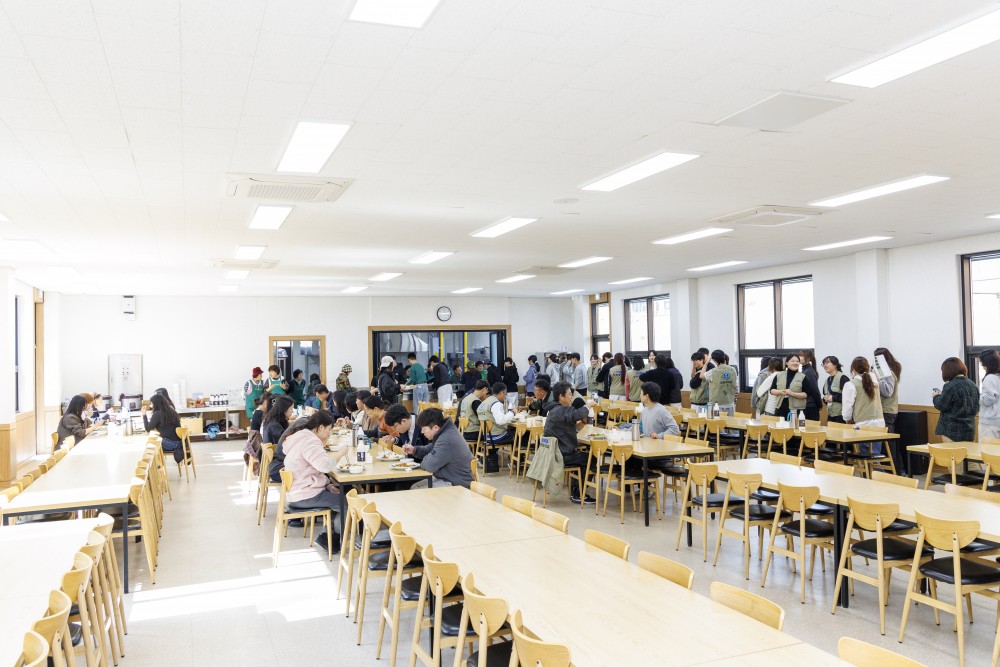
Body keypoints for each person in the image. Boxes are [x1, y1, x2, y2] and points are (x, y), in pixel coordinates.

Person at [279, 410, 344, 552]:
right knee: (346, 503)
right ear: (320, 427)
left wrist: (328, 486)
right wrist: (341, 452)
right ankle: (334, 540)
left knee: (337, 498)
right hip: (305, 494)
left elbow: (312, 470)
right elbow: (325, 466)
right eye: (329, 430)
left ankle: (327, 536)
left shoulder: (300, 437)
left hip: (298, 491)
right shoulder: (310, 441)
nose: (329, 434)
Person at [543, 382, 594, 504]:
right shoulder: (563, 410)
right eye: (569, 394)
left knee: (581, 456)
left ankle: (576, 489)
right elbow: (577, 414)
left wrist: (583, 422)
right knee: (590, 459)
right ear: (561, 397)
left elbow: (570, 428)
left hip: (550, 453)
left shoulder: (554, 409)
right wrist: (588, 406)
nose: (571, 397)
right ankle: (578, 493)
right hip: (560, 455)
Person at [404, 408, 475, 488]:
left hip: (457, 484)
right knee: (415, 486)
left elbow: (429, 466)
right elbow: (431, 449)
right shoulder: (446, 431)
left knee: (417, 490)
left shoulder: (446, 439)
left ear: (435, 428)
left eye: (424, 429)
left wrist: (427, 459)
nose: (422, 432)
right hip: (449, 478)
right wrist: (415, 450)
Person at [933, 357, 979, 443]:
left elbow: (941, 405)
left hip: (952, 431)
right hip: (969, 430)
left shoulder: (950, 386)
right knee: (966, 451)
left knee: (951, 452)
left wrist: (936, 396)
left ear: (947, 371)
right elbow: (976, 407)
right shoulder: (973, 385)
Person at [766, 353, 818, 418]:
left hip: (797, 410)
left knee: (795, 424)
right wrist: (781, 392)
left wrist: (793, 394)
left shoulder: (803, 377)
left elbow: (806, 394)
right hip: (780, 408)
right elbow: (772, 390)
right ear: (787, 363)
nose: (795, 363)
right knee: (781, 424)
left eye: (797, 361)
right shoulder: (779, 375)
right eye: (792, 361)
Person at [142, 393, 186, 462]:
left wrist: (144, 415)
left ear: (156, 404)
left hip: (171, 444)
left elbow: (148, 429)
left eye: (151, 403)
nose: (151, 405)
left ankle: (157, 466)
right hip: (180, 443)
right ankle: (158, 465)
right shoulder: (172, 411)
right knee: (154, 442)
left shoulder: (157, 414)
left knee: (150, 444)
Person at [843, 356, 885, 428]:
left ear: (853, 369)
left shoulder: (850, 385)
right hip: (880, 423)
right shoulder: (875, 381)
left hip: (862, 424)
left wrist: (847, 420)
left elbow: (847, 407)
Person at [265, 395, 296, 482]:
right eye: (291, 408)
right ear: (284, 409)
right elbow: (286, 446)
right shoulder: (275, 426)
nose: (292, 411)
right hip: (277, 467)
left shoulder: (274, 420)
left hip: (275, 463)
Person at [874, 347, 902, 433]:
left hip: (887, 410)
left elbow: (888, 392)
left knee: (888, 437)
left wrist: (877, 379)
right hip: (886, 410)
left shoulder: (888, 373)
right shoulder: (885, 372)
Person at [706, 349, 738, 416]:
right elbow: (735, 386)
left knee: (716, 422)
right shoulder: (733, 369)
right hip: (729, 402)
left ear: (714, 360)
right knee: (730, 422)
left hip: (716, 405)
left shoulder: (713, 371)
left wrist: (706, 363)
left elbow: (701, 376)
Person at [821, 356, 849, 423]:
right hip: (830, 415)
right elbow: (825, 396)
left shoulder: (843, 378)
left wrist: (833, 398)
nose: (824, 365)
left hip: (841, 416)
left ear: (835, 365)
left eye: (827, 363)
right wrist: (825, 398)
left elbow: (848, 397)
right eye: (823, 364)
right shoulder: (827, 380)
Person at [981, 350, 1000, 441]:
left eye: (982, 363)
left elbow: (987, 400)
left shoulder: (990, 378)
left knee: (987, 449)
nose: (982, 366)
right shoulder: (998, 377)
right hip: (997, 420)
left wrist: (977, 398)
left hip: (989, 422)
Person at [799, 349, 821, 421]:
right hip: (806, 404)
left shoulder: (809, 372)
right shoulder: (805, 370)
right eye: (799, 355)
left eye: (802, 356)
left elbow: (814, 390)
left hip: (810, 406)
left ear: (808, 358)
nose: (799, 357)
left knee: (811, 427)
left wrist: (820, 404)